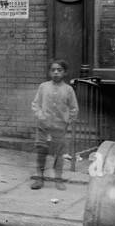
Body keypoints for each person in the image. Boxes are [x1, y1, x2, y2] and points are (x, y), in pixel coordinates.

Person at [30, 59, 79, 188]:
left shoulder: (68, 89)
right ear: (49, 72)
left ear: (65, 73)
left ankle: (58, 179)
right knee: (42, 151)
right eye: (53, 70)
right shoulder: (43, 87)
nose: (56, 73)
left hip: (59, 127)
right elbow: (36, 104)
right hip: (43, 126)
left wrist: (67, 121)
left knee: (59, 154)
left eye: (59, 70)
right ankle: (39, 179)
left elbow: (74, 108)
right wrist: (41, 116)